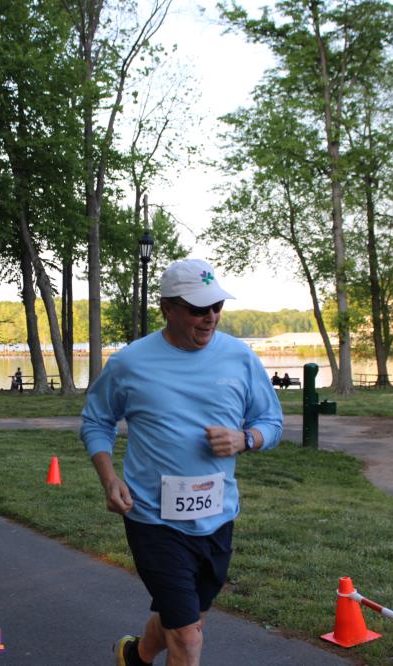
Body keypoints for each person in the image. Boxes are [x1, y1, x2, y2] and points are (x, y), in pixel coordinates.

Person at [81, 258, 283, 666]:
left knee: (189, 621)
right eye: (197, 309)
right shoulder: (130, 362)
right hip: (153, 519)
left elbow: (271, 422)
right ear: (167, 308)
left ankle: (134, 655)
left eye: (216, 307)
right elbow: (96, 421)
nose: (210, 317)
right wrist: (109, 479)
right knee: (188, 638)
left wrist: (246, 439)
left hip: (217, 517)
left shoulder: (240, 357)